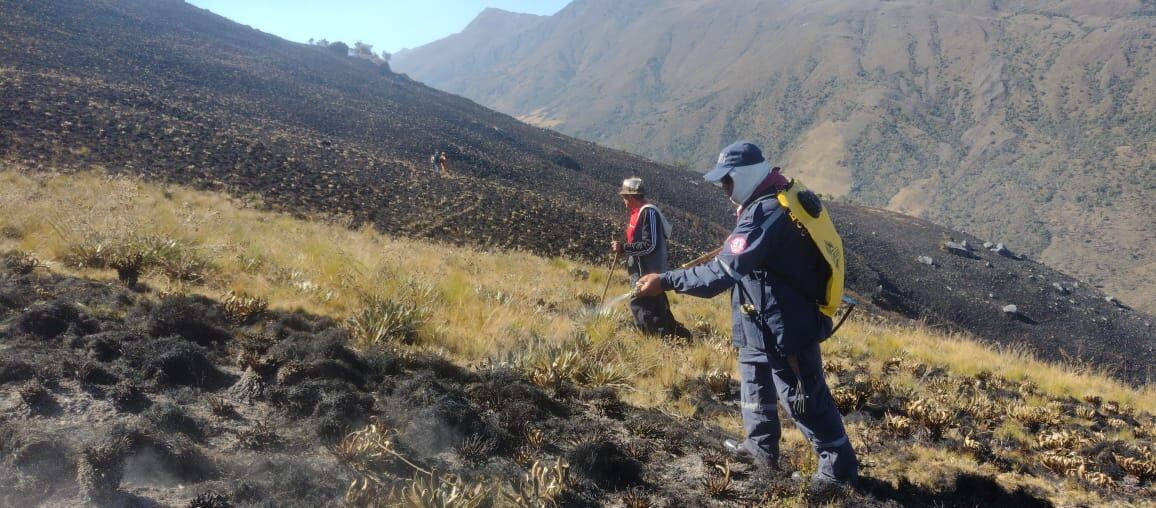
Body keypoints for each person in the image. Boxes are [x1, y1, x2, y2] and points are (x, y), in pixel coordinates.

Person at [635, 141, 858, 488]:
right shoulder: (765, 203)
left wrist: (665, 281)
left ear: (744, 176)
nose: (724, 189)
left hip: (787, 325)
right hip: (759, 319)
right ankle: (760, 448)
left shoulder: (764, 213)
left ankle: (838, 468)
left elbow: (718, 276)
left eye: (727, 181)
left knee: (802, 396)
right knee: (754, 385)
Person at [611, 177, 691, 339]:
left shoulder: (649, 213)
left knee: (644, 308)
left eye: (624, 197)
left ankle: (658, 342)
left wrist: (624, 247)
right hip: (642, 270)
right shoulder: (639, 213)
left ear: (631, 197)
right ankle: (680, 339)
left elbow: (650, 245)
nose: (624, 201)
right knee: (656, 307)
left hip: (647, 273)